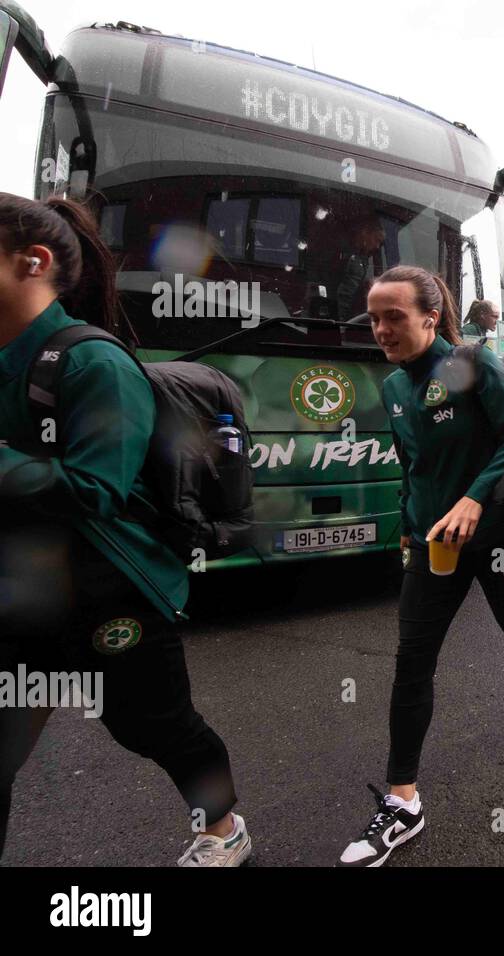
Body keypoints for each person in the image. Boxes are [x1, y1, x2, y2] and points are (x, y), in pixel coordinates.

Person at [0, 194, 248, 866]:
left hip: (109, 594)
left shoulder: (91, 363)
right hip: (20, 597)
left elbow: (94, 490)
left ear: (33, 261)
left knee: (156, 727)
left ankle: (223, 829)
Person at [339, 265, 504, 867]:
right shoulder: (392, 387)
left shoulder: (471, 363)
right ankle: (403, 799)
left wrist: (474, 497)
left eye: (394, 316)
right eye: (374, 318)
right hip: (431, 545)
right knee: (412, 662)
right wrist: (409, 526)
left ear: (430, 316)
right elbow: (413, 467)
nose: (382, 329)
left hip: (498, 537)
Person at [337, 215, 385, 321]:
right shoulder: (343, 253)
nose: (377, 246)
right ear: (365, 233)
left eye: (380, 243)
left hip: (354, 316)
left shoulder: (366, 260)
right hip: (340, 314)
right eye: (376, 240)